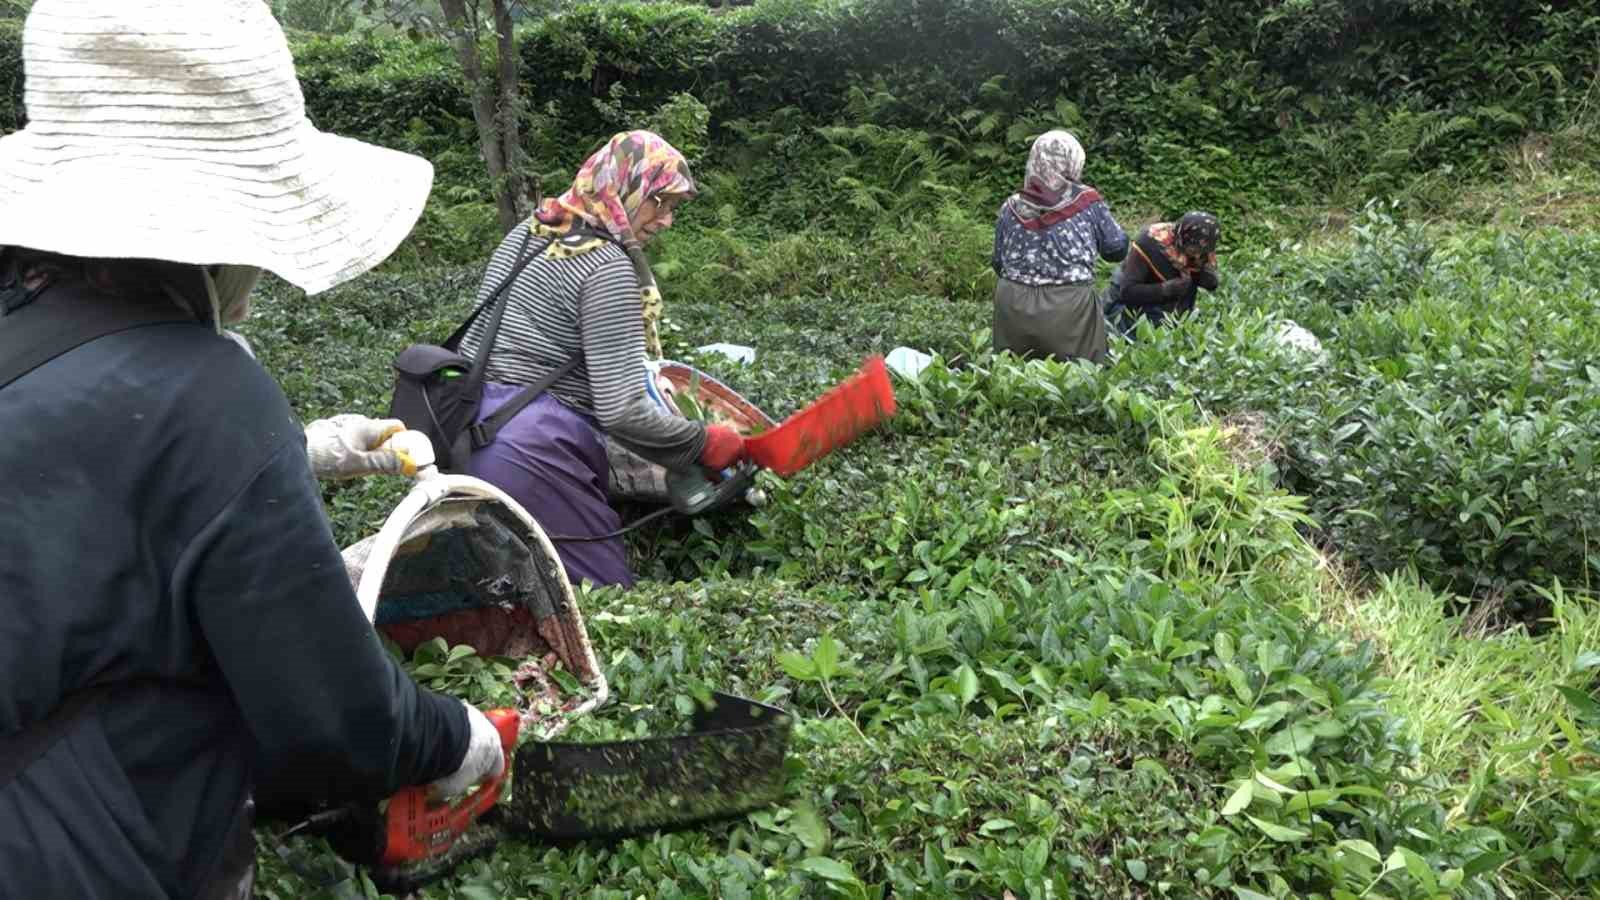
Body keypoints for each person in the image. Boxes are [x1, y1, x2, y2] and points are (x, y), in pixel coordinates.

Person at [0, 3, 504, 897]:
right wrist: (463, 737)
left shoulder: (29, 317)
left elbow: (79, 479)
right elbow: (337, 718)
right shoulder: (207, 393)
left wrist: (307, 448)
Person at [458, 130, 745, 590]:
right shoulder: (606, 267)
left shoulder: (534, 228)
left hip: (463, 437)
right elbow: (621, 410)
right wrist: (700, 443)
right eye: (660, 202)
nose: (667, 220)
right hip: (532, 455)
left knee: (496, 602)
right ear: (624, 187)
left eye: (674, 208)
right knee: (601, 603)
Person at [991, 130, 1128, 363]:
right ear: (1074, 161)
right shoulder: (1087, 201)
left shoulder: (1011, 206)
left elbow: (998, 263)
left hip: (1013, 306)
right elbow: (1116, 249)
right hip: (1070, 310)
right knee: (1078, 379)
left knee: (1014, 378)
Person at [1103, 211, 1221, 335]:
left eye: (1202, 252)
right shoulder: (1150, 243)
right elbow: (1127, 291)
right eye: (1193, 250)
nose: (1197, 255)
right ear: (1181, 238)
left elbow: (1210, 281)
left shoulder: (1202, 246)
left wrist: (1206, 277)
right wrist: (1166, 289)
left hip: (1171, 312)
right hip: (1132, 307)